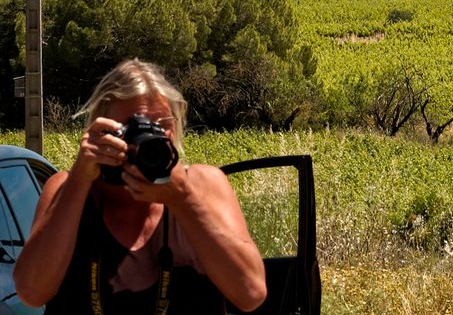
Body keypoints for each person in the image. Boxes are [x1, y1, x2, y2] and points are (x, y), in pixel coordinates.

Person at [13, 58, 267, 313]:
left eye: (161, 126)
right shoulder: (68, 189)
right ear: (101, 130)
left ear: (175, 128)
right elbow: (32, 292)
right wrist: (80, 179)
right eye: (132, 128)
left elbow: (251, 293)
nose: (147, 139)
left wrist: (183, 199)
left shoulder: (204, 186)